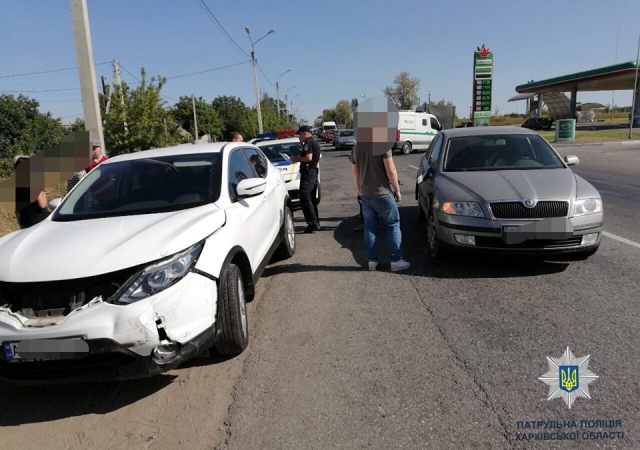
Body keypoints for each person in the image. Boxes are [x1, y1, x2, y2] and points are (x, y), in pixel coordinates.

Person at [350, 98, 410, 272]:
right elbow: (391, 170)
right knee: (393, 224)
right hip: (383, 193)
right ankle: (396, 261)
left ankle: (372, 261)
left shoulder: (356, 147)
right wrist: (397, 190)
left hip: (366, 194)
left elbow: (354, 173)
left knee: (370, 227)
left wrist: (360, 191)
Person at [290, 125, 321, 233]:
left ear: (305, 133)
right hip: (312, 172)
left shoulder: (308, 143)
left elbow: (308, 158)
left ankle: (312, 223)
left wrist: (296, 159)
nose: (299, 137)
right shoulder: (314, 142)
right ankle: (316, 222)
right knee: (311, 199)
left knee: (305, 198)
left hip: (308, 173)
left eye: (300, 134)